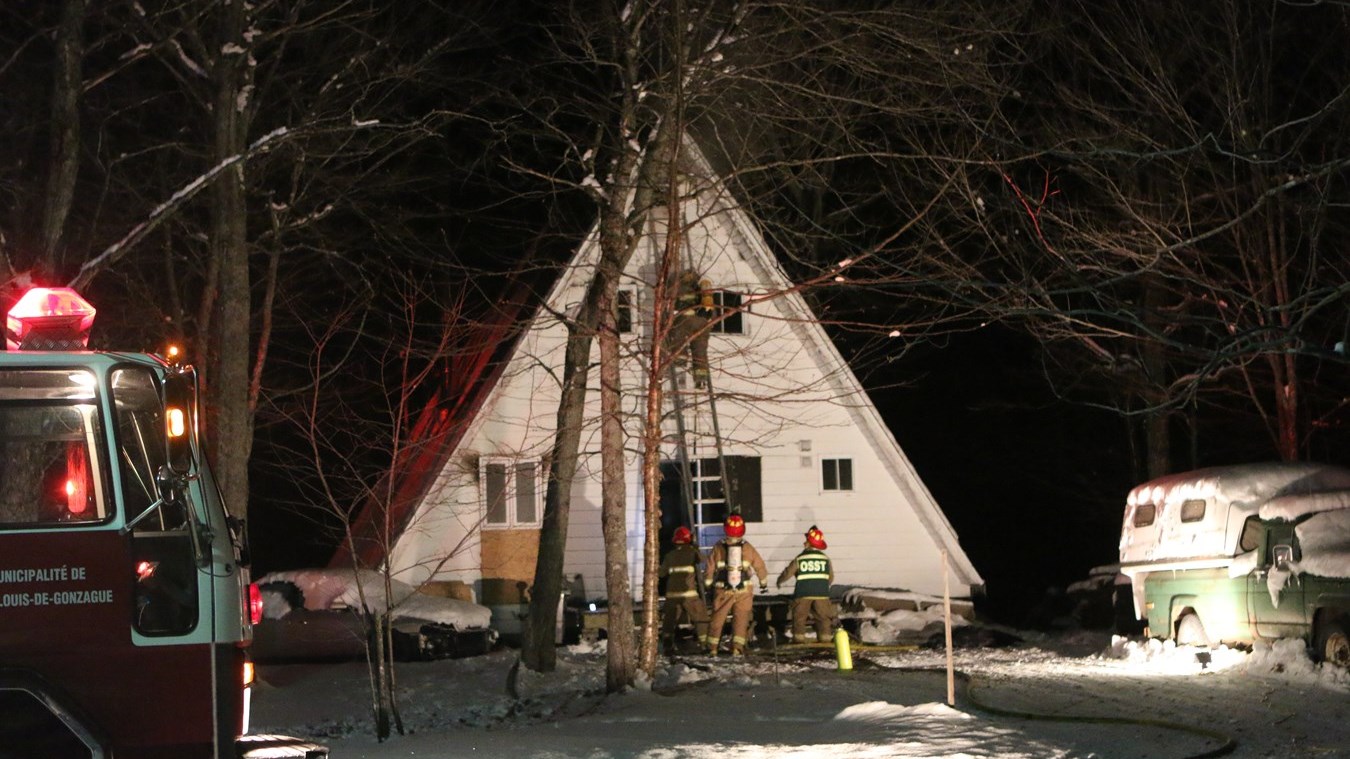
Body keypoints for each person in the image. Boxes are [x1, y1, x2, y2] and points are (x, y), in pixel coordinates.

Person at [702, 514, 768, 656]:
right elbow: (760, 566)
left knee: (718, 618)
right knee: (741, 619)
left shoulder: (718, 547)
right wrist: (763, 583)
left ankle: (712, 648)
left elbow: (709, 568)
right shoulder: (748, 548)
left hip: (723, 589)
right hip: (744, 590)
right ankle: (737, 648)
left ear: (726, 530)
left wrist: (707, 584)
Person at [777, 525, 835, 643]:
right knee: (823, 618)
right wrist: (822, 585)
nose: (804, 542)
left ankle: (798, 640)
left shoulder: (800, 558)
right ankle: (825, 641)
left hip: (803, 593)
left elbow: (788, 572)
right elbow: (830, 578)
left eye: (806, 540)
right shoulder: (825, 559)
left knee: (799, 618)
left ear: (809, 543)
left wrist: (780, 581)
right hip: (822, 594)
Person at [658, 525, 709, 654]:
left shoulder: (669, 555)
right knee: (701, 617)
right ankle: (705, 644)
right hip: (689, 595)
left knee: (669, 621)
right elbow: (705, 560)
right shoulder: (692, 552)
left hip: (672, 595)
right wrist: (696, 548)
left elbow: (661, 573)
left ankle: (667, 646)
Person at [665, 270, 713, 388]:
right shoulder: (701, 288)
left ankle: (680, 357)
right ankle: (701, 378)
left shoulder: (675, 288)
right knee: (700, 351)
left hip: (684, 320)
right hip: (701, 323)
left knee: (677, 335)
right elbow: (710, 308)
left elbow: (669, 306)